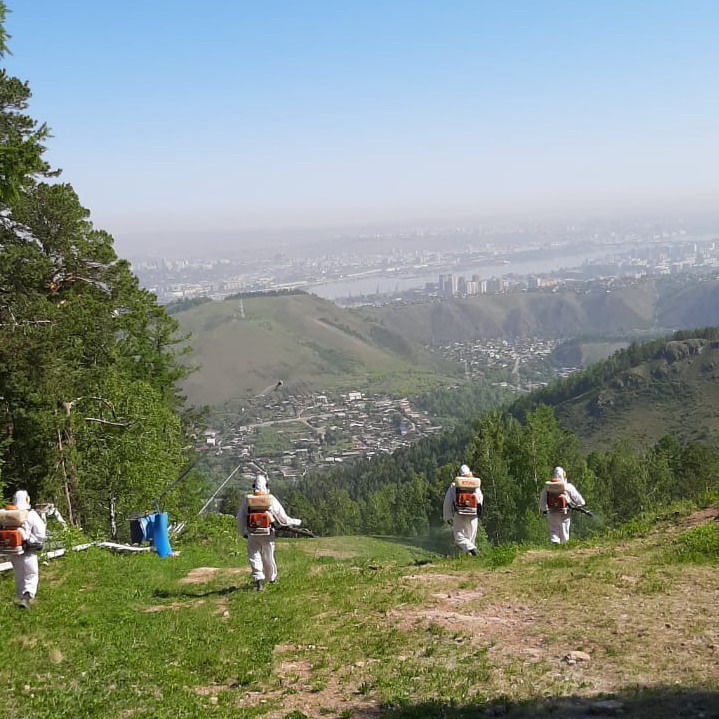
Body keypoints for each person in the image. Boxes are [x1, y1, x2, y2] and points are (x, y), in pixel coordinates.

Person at [236, 475, 302, 591]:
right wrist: (296, 522)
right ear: (266, 485)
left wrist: (243, 532)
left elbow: (240, 518)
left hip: (253, 532)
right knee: (269, 555)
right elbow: (282, 517)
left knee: (254, 555)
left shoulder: (248, 499)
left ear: (254, 486)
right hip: (267, 532)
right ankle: (271, 579)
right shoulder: (270, 499)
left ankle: (259, 581)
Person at [7, 490, 47, 609]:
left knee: (19, 574)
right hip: (28, 550)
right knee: (31, 574)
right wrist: (36, 541)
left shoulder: (9, 514)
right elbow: (40, 533)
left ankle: (21, 597)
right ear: (27, 499)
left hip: (13, 550)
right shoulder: (31, 514)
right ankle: (27, 597)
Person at [443, 464, 483, 556]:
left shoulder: (454, 485)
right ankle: (471, 554)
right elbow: (480, 498)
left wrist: (448, 516)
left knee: (459, 536)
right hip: (473, 514)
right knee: (471, 536)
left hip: (460, 513)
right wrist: (479, 511)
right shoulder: (475, 484)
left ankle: (471, 549)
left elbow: (447, 502)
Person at [539, 466, 586, 544]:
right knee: (564, 528)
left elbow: (542, 499)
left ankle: (554, 542)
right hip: (564, 512)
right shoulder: (568, 486)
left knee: (553, 528)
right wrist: (580, 504)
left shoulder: (548, 487)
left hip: (552, 511)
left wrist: (544, 509)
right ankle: (564, 544)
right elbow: (577, 498)